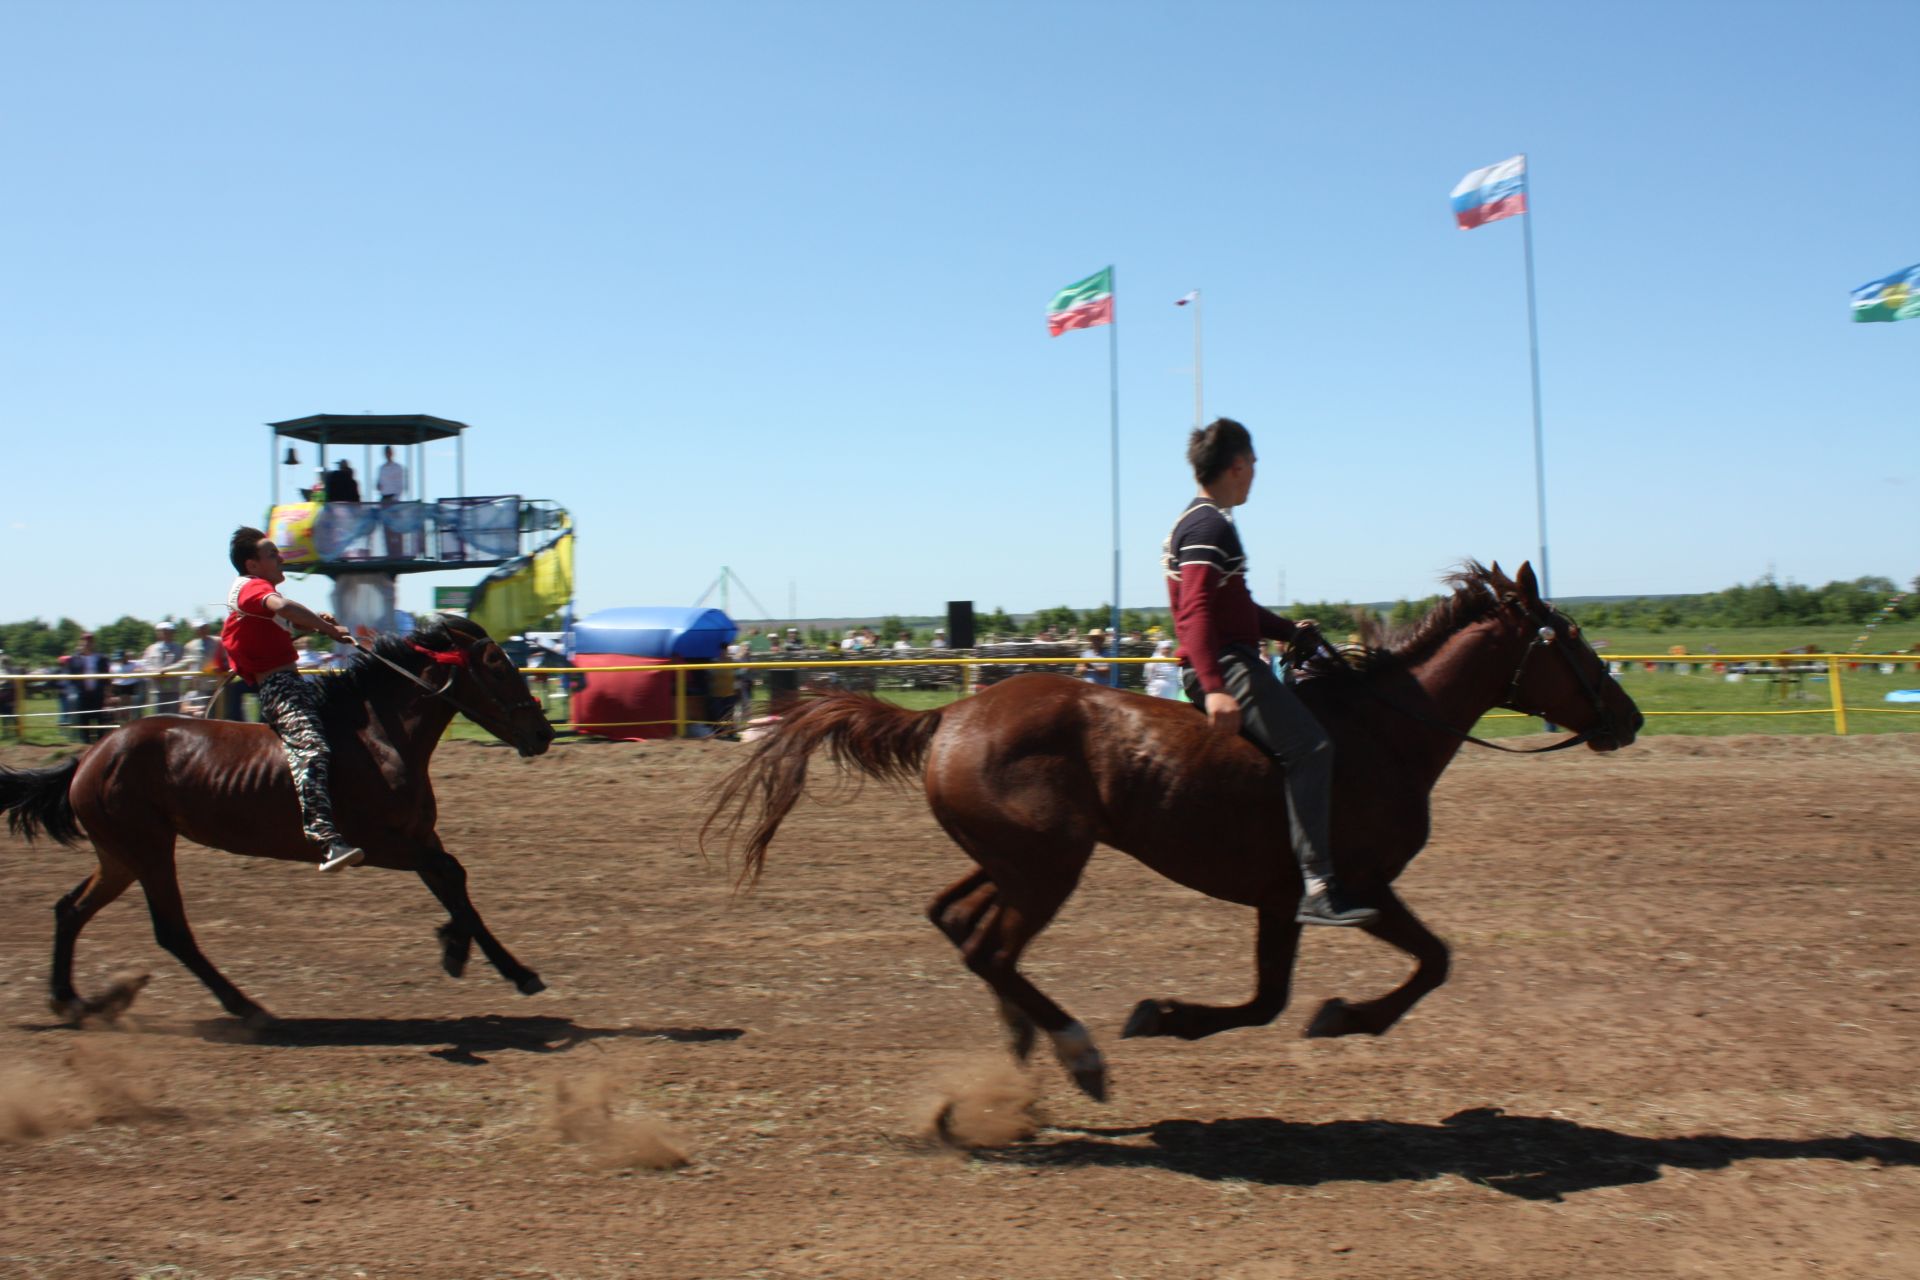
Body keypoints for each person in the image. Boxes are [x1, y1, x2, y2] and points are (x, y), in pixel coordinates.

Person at [1161, 417, 1376, 928]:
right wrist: (1213, 687)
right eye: (1254, 463)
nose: (1256, 472)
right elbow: (1193, 611)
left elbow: (1234, 605)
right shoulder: (1210, 525)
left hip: (1232, 656)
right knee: (1312, 747)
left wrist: (1288, 631)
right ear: (1237, 466)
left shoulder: (1206, 521)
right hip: (1225, 665)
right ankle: (1318, 884)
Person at [223, 525, 365, 873]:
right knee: (313, 749)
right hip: (280, 689)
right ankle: (325, 838)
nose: (281, 558)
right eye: (273, 554)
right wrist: (328, 629)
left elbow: (284, 620)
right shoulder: (254, 588)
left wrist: (315, 625)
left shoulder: (258, 594)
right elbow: (285, 607)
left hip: (291, 683)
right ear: (252, 564)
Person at [63, 632, 111, 743]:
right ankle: (85, 744)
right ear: (80, 642)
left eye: (89, 641)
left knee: (99, 719)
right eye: (84, 641)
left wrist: (108, 693)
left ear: (93, 643)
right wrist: (73, 691)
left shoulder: (101, 658)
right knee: (83, 720)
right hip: (82, 694)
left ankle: (100, 743)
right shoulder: (74, 659)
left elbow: (106, 677)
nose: (87, 644)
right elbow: (70, 678)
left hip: (97, 694)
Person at [139, 621, 187, 715]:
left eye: (170, 631)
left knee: (174, 717)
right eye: (163, 631)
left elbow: (183, 664)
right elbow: (145, 664)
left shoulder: (179, 648)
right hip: (157, 689)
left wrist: (168, 670)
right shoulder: (151, 649)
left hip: (174, 689)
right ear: (158, 633)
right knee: (158, 717)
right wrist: (154, 672)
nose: (166, 634)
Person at [376, 445, 407, 557]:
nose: (388, 454)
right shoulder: (381, 468)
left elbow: (400, 485)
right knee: (386, 529)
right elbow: (378, 484)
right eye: (386, 452)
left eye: (389, 452)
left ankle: (398, 552)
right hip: (384, 499)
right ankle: (389, 553)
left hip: (393, 500)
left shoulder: (397, 467)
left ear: (392, 453)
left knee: (396, 528)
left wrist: (395, 499)